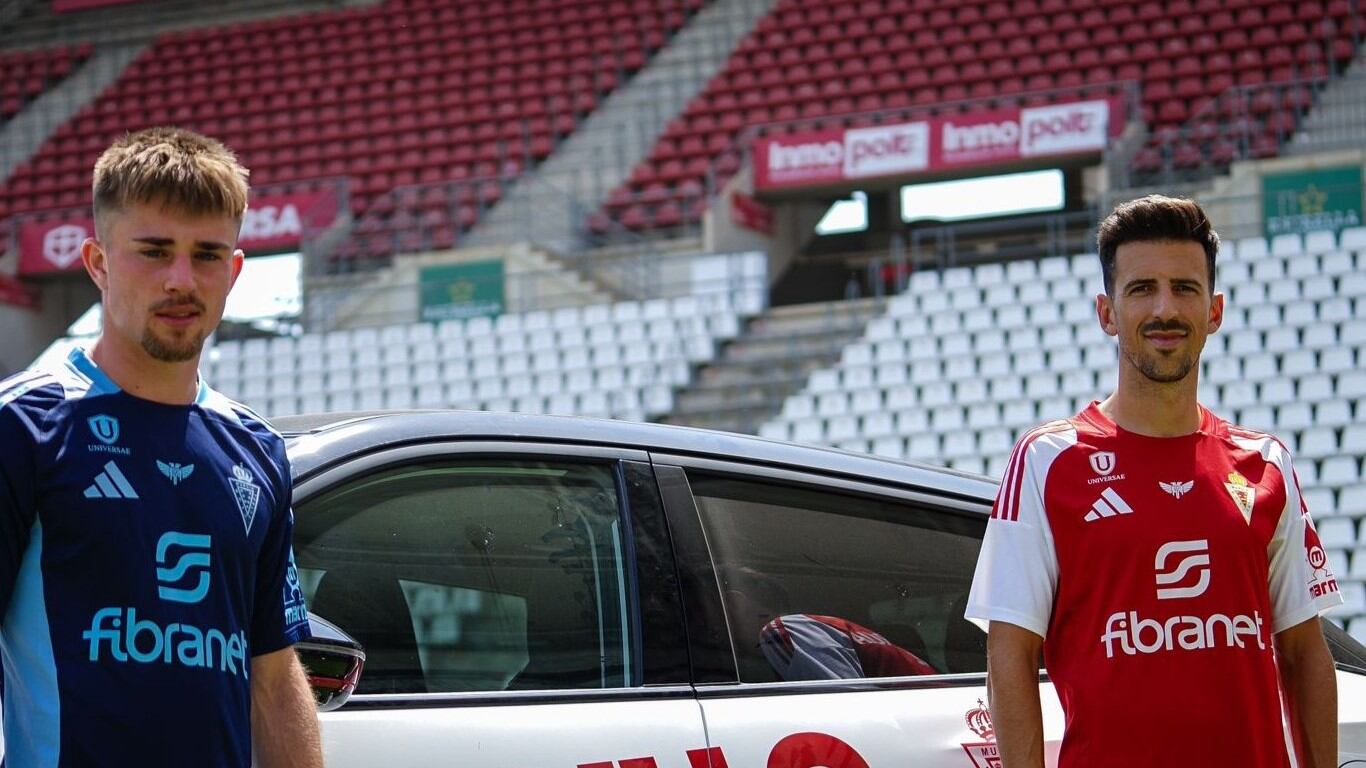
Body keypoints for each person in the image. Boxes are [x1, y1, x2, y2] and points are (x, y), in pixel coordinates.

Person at [965, 195, 1342, 768]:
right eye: (1142, 289)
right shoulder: (1047, 460)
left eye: (1184, 288)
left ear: (1214, 311)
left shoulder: (1265, 462)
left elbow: (1304, 652)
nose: (1165, 309)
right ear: (1107, 313)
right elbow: (1010, 654)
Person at [0, 127, 323, 767]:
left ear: (233, 271)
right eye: (153, 251)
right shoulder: (23, 426)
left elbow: (272, 673)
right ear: (97, 263)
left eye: (206, 255)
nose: (182, 279)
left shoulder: (255, 450)